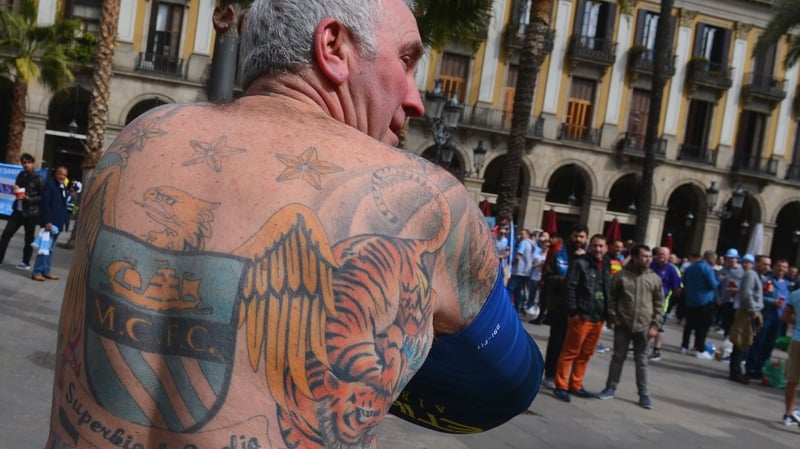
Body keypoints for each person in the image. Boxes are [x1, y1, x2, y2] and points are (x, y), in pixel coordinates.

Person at [45, 1, 544, 448]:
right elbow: (511, 381)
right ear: (333, 47)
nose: (415, 98)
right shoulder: (428, 200)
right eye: (407, 60)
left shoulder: (135, 143)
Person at [597, 244, 663, 409]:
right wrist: (614, 317)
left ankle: (644, 394)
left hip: (645, 327)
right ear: (634, 257)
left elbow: (659, 304)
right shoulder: (621, 276)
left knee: (641, 361)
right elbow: (611, 298)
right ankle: (610, 387)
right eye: (644, 256)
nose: (648, 259)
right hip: (623, 324)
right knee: (618, 357)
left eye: (649, 256)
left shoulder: (654, 278)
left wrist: (655, 325)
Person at [552, 234, 610, 402]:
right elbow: (570, 287)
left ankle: (576, 384)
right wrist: (573, 311)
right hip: (581, 315)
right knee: (570, 351)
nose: (598, 249)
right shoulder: (580, 263)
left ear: (606, 248)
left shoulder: (605, 265)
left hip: (598, 317)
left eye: (601, 246)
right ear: (590, 247)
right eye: (595, 246)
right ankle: (561, 385)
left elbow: (607, 289)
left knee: (586, 353)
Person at [541, 224, 588, 389]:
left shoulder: (588, 257)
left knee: (574, 345)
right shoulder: (559, 254)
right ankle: (550, 374)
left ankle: (566, 377)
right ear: (571, 237)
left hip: (579, 308)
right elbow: (547, 276)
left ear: (586, 238)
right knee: (556, 341)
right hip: (559, 306)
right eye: (576, 236)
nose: (578, 240)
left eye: (582, 237)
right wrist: (567, 281)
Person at [0, 152, 44, 270]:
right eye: (24, 162)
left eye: (28, 162)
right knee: (6, 234)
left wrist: (29, 199)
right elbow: (17, 187)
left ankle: (26, 262)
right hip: (17, 211)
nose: (26, 165)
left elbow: (42, 196)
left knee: (28, 238)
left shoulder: (38, 178)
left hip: (30, 213)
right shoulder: (21, 175)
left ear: (32, 163)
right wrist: (15, 189)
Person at [728, 254, 762, 385]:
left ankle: (737, 369)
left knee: (744, 341)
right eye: (764, 264)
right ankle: (735, 371)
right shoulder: (750, 274)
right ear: (756, 263)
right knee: (741, 340)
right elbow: (747, 294)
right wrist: (753, 310)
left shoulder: (753, 275)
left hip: (748, 310)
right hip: (747, 312)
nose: (744, 264)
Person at [746, 255, 783, 380]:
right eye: (779, 266)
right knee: (758, 343)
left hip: (779, 319)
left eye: (784, 267)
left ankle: (760, 367)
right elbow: (760, 296)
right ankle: (751, 367)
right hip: (766, 315)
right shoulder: (766, 280)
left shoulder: (788, 284)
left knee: (769, 345)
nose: (781, 269)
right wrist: (772, 301)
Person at [31, 166, 70, 281]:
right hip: (50, 222)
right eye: (60, 174)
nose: (62, 176)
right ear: (55, 174)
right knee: (44, 247)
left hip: (58, 223)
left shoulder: (63, 187)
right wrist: (47, 221)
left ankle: (46, 271)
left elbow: (64, 205)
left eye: (64, 175)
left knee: (50, 249)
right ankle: (37, 271)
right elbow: (45, 205)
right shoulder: (50, 186)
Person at [680, 250, 720, 358]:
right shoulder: (707, 269)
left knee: (689, 325)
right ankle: (700, 348)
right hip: (704, 301)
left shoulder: (690, 267)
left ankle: (684, 346)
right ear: (711, 258)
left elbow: (684, 281)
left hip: (690, 300)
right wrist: (719, 280)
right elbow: (712, 284)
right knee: (702, 327)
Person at [649, 246, 681, 361]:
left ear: (668, 256)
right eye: (659, 253)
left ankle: (656, 350)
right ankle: (642, 346)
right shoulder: (652, 265)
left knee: (659, 326)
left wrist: (671, 301)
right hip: (648, 300)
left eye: (664, 254)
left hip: (662, 302)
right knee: (646, 324)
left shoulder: (672, 269)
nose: (661, 256)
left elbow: (677, 288)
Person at [780, 287, 800, 426]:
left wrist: (797, 322)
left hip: (797, 341)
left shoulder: (795, 294)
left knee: (792, 380)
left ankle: (788, 414)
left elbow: (785, 317)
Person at [716, 249, 744, 339]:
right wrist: (718, 298)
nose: (730, 260)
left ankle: (731, 337)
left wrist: (738, 290)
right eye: (728, 258)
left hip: (737, 300)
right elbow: (717, 286)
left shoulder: (742, 271)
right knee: (726, 321)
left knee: (734, 321)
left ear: (737, 259)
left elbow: (745, 285)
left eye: (732, 258)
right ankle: (727, 336)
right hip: (725, 300)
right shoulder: (722, 271)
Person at [507, 228, 535, 315]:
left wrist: (511, 264)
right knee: (519, 291)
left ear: (527, 235)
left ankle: (505, 308)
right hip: (526, 272)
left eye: (522, 234)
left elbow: (518, 256)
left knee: (510, 290)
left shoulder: (524, 243)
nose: (520, 235)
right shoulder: (532, 245)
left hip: (518, 271)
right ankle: (516, 309)